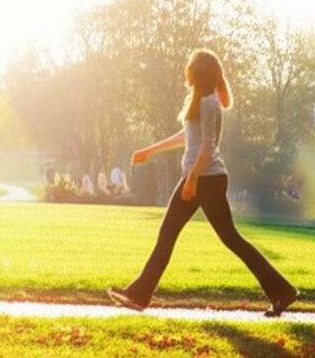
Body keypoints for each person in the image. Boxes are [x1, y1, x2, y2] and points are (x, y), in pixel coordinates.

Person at [107, 49, 298, 317]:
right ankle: (282, 292)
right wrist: (149, 150)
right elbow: (186, 137)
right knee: (222, 238)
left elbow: (208, 146)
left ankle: (139, 294)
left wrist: (192, 179)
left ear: (199, 73)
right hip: (204, 178)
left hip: (207, 180)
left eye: (191, 69)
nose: (188, 73)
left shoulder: (209, 103)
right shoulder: (200, 101)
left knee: (179, 234)